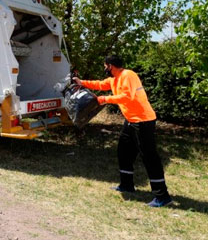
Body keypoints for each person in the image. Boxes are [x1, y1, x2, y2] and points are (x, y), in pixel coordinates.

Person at [73, 55, 173, 207]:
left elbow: (127, 97)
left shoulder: (128, 75)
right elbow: (100, 84)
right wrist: (81, 83)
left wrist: (103, 99)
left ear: (111, 66)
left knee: (149, 157)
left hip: (143, 121)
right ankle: (127, 185)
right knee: (123, 151)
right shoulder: (115, 78)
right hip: (131, 121)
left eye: (105, 66)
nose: (104, 69)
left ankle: (162, 196)